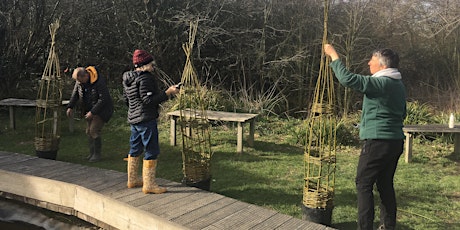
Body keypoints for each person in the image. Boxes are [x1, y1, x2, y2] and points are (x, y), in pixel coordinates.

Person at [324, 44, 406, 230]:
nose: (369, 63)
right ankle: (388, 226)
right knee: (385, 185)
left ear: (383, 65)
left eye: (372, 60)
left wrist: (333, 55)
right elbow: (403, 113)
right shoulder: (398, 85)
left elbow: (347, 79)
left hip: (377, 143)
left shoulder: (380, 83)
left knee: (363, 184)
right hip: (395, 142)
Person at [122, 49, 180, 194]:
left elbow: (126, 100)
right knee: (151, 149)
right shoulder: (145, 78)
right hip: (146, 119)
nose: (153, 67)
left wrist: (134, 112)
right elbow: (148, 100)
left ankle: (132, 180)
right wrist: (168, 93)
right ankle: (149, 184)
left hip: (134, 119)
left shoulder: (128, 78)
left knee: (135, 148)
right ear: (144, 65)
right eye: (151, 64)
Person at [66, 66, 114, 162]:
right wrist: (70, 107)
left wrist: (93, 112)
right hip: (89, 109)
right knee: (88, 131)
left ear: (85, 76)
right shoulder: (79, 82)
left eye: (79, 80)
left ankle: (97, 155)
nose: (78, 83)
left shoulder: (99, 82)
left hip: (102, 109)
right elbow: (75, 94)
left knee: (93, 130)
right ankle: (92, 153)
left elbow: (103, 99)